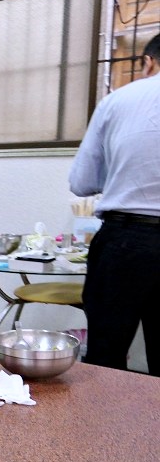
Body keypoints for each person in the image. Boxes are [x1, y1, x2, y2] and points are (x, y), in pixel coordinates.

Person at [68, 33, 160, 375]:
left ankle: (99, 428)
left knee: (106, 354)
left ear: (148, 61)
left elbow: (82, 183)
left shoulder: (118, 101)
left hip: (126, 240)